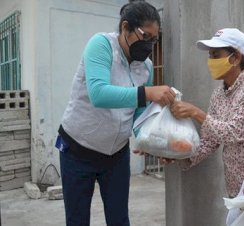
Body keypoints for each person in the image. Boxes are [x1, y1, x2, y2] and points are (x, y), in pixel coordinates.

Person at [55, 1, 176, 225]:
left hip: (116, 156)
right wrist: (147, 93)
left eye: (154, 39)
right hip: (77, 151)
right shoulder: (101, 45)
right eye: (145, 36)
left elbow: (139, 115)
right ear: (125, 28)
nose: (149, 44)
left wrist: (155, 145)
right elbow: (98, 94)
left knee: (119, 219)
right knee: (77, 219)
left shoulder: (146, 66)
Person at [169, 28, 244, 200]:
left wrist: (196, 113)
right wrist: (178, 155)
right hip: (238, 191)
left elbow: (235, 133)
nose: (210, 61)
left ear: (236, 57)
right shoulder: (218, 95)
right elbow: (210, 141)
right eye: (210, 55)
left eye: (216, 55)